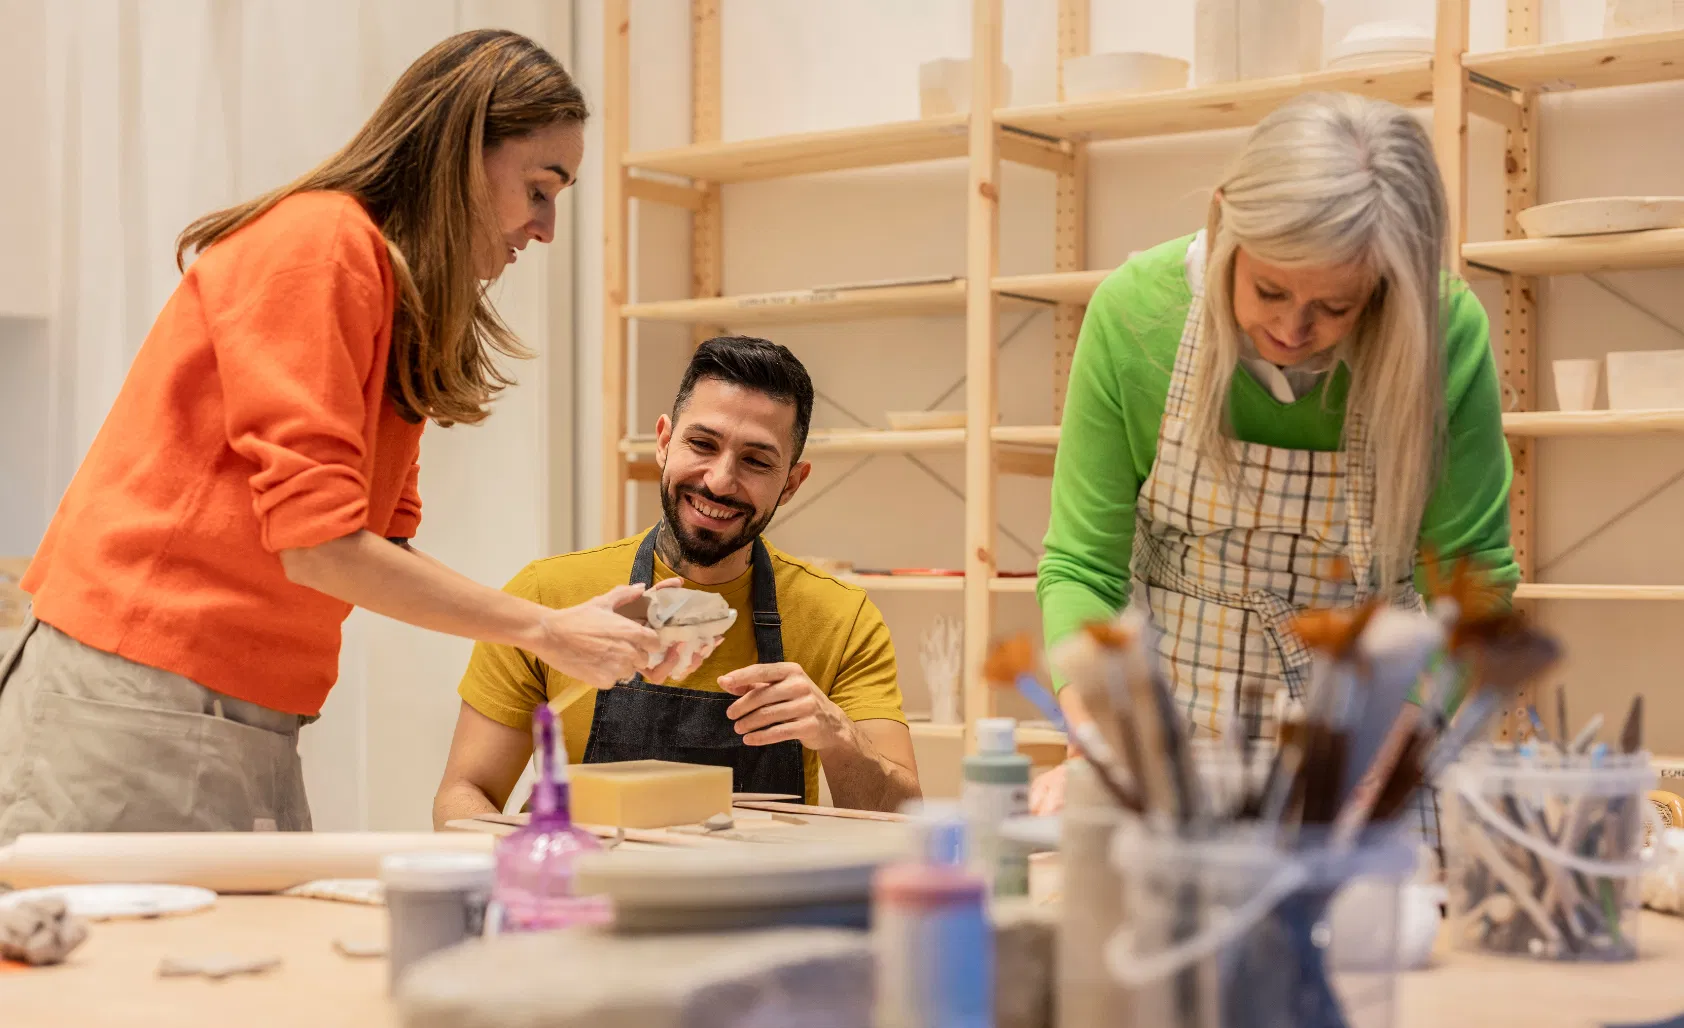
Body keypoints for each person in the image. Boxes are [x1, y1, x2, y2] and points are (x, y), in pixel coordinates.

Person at [0, 31, 688, 844]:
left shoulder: (398, 298)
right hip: (139, 695)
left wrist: (568, 624)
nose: (543, 229)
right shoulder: (321, 243)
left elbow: (373, 551)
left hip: (238, 712)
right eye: (539, 189)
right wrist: (542, 630)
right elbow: (317, 547)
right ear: (464, 153)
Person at [1033, 92, 1517, 813]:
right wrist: (1094, 721)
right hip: (1174, 743)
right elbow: (1082, 566)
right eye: (1269, 288)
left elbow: (1470, 587)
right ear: (1225, 219)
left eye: (1338, 306)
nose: (1293, 327)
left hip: (1373, 740)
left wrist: (1392, 748)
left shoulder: (1442, 336)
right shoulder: (1137, 317)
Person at [435, 335, 921, 821]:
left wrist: (838, 736)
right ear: (665, 442)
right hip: (588, 891)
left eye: (756, 460)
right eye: (702, 444)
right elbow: (464, 795)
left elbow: (903, 822)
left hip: (757, 896)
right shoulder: (547, 595)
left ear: (792, 482)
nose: (719, 480)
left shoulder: (841, 619)